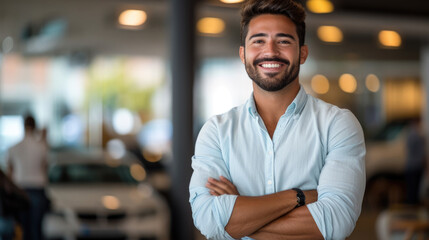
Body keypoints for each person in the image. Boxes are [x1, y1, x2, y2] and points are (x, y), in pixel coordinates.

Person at [189, 0, 366, 239]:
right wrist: (299, 197)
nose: (270, 51)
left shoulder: (337, 125)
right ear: (243, 54)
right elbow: (208, 220)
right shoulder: (216, 132)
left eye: (283, 41)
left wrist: (239, 216)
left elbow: (336, 221)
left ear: (302, 53)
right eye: (258, 41)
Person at [6, 114, 49, 240]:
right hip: (37, 188)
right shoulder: (41, 146)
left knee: (22, 228)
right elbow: (45, 167)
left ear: (23, 126)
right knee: (36, 228)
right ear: (35, 126)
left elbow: (10, 171)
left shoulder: (14, 147)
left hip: (20, 190)